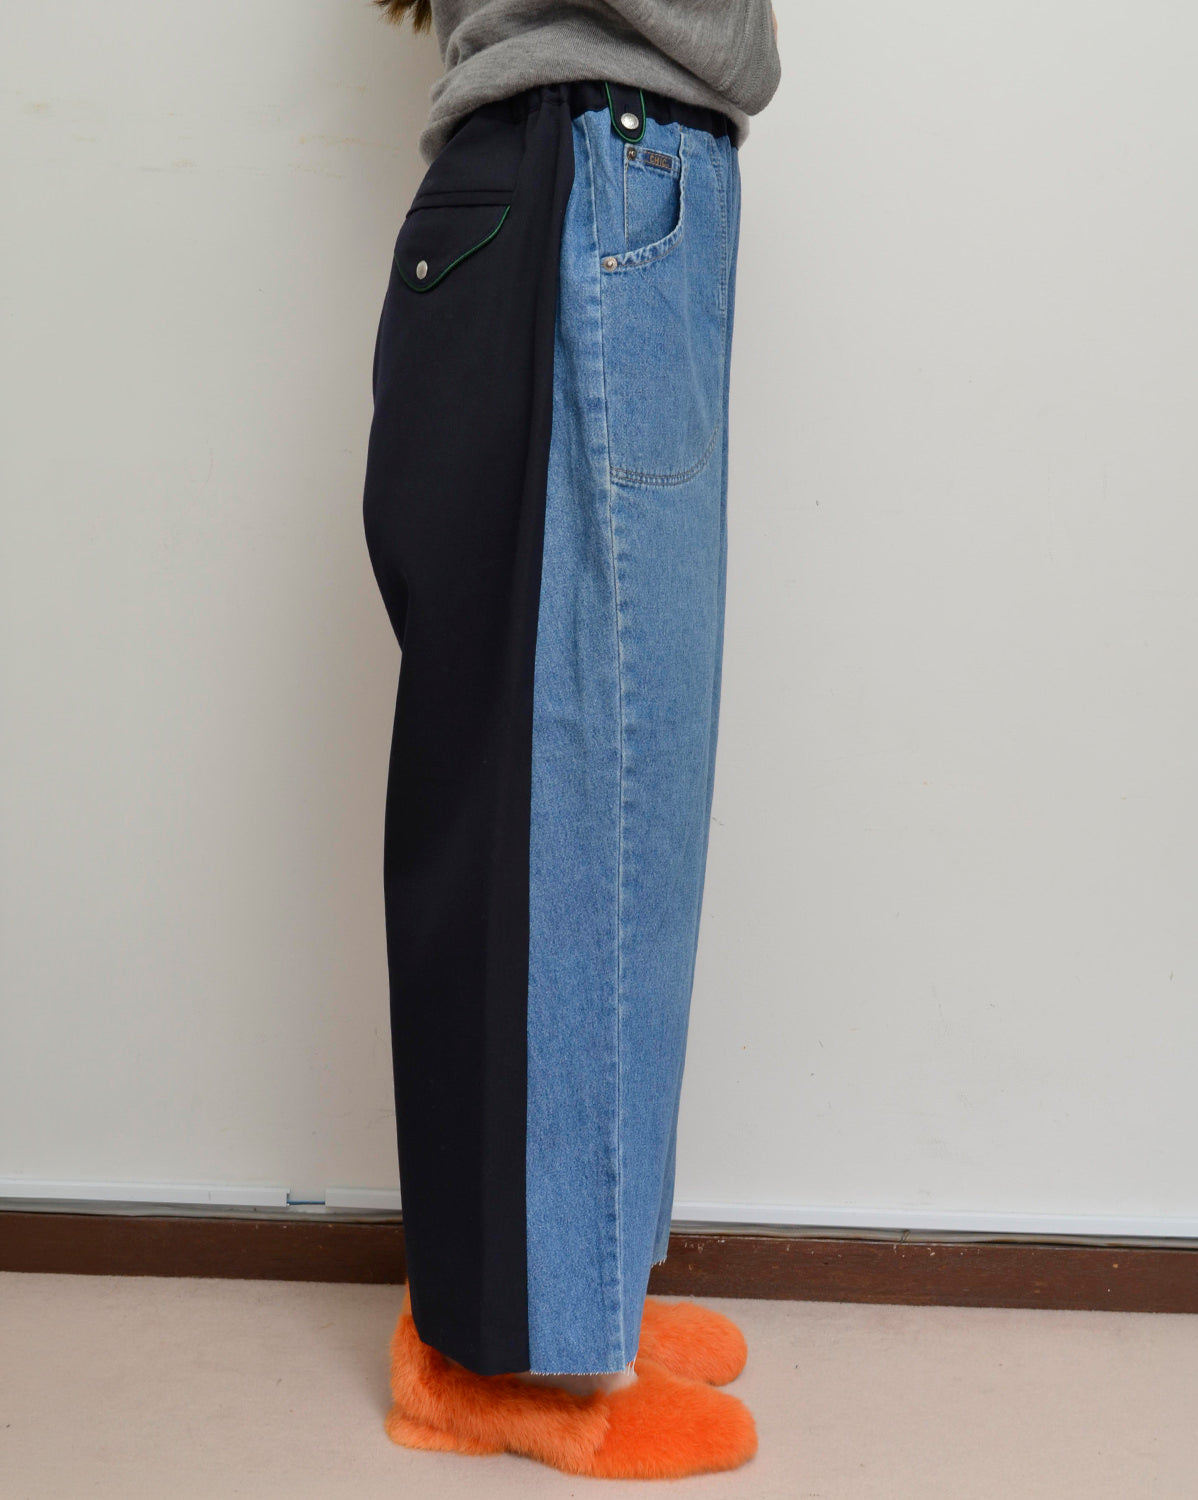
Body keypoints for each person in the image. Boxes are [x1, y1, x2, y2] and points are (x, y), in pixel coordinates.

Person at [361, 0, 781, 1478]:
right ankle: (509, 1365)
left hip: (599, 181)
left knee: (619, 783)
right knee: (579, 783)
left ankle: (577, 1301)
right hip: (589, 178)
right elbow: (730, 37)